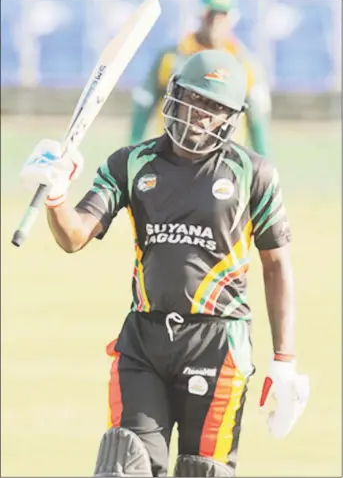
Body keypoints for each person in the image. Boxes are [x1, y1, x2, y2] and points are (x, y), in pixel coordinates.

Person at [20, 50, 309, 477]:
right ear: (171, 97)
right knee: (122, 464)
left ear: (231, 117)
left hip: (219, 342)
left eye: (214, 108)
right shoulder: (130, 163)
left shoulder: (253, 173)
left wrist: (285, 361)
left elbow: (276, 264)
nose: (200, 116)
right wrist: (56, 194)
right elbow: (75, 235)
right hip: (144, 340)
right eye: (193, 100)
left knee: (202, 471)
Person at [129, 0, 271, 157]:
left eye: (222, 15)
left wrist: (263, 160)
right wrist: (133, 152)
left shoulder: (244, 64)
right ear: (200, 14)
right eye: (210, 14)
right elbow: (144, 103)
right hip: (172, 155)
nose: (215, 21)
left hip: (224, 160)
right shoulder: (172, 58)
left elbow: (257, 117)